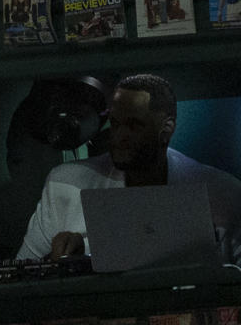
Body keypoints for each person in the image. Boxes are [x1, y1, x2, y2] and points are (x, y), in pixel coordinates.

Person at [17, 74, 241, 261]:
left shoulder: (223, 192)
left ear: (167, 128)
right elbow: (24, 274)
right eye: (115, 124)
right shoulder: (64, 185)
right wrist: (62, 263)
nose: (119, 136)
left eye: (134, 125)